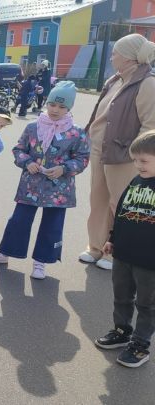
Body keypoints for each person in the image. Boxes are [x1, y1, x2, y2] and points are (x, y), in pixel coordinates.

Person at [0, 81, 90, 279]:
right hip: (30, 184)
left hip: (59, 190)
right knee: (19, 220)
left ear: (69, 108)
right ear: (46, 103)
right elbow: (18, 149)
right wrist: (27, 162)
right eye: (52, 104)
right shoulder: (33, 127)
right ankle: (5, 253)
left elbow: (82, 158)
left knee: (52, 224)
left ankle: (41, 262)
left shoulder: (76, 132)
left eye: (61, 106)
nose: (55, 109)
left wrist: (64, 168)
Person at [80, 33, 155, 271]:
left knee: (120, 205)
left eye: (115, 53)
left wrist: (137, 156)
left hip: (125, 155)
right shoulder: (115, 80)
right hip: (100, 151)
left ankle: (115, 253)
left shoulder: (147, 83)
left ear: (128, 57)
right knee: (98, 200)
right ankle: (95, 246)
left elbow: (150, 125)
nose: (111, 56)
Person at [94, 130, 155, 368]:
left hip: (150, 261)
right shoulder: (136, 181)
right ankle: (122, 331)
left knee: (147, 304)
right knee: (121, 297)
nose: (138, 165)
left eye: (144, 161)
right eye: (135, 160)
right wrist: (113, 237)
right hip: (124, 254)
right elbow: (121, 211)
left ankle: (140, 345)